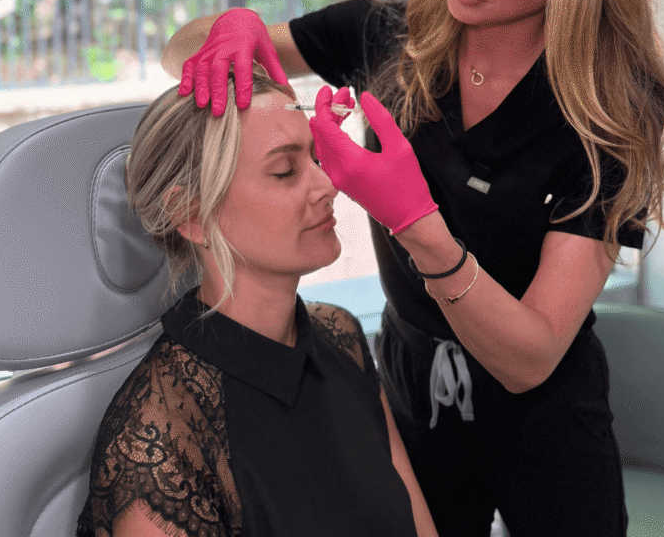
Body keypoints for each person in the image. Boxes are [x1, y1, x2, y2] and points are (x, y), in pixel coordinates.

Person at [163, 0, 664, 537]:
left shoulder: (611, 109)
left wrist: (416, 224)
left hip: (546, 419)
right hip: (414, 393)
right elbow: (184, 57)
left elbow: (531, 358)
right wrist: (234, 27)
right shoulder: (394, 30)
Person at [76, 64, 438, 537]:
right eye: (285, 171)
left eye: (315, 158)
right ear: (191, 215)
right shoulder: (159, 445)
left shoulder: (341, 335)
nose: (326, 185)